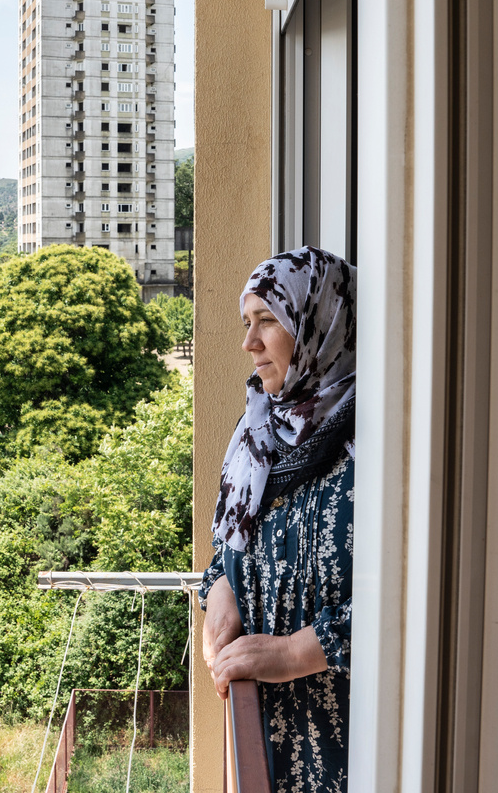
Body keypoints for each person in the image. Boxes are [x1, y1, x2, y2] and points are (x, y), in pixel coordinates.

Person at [199, 246, 356, 793]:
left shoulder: (385, 445)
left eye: (268, 321)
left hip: (351, 751)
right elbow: (230, 544)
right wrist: (218, 587)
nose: (249, 343)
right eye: (248, 322)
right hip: (268, 738)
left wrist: (294, 653)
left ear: (321, 323)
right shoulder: (259, 431)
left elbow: (421, 599)